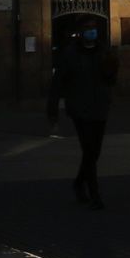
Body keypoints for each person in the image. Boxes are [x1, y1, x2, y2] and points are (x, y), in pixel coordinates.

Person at [47, 22, 118, 208]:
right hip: (79, 107)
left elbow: (111, 79)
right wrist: (53, 111)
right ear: (81, 33)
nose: (91, 32)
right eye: (88, 30)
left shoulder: (104, 51)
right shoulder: (70, 54)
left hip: (100, 107)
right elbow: (58, 83)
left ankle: (79, 183)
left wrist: (112, 71)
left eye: (93, 29)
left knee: (94, 152)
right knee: (88, 149)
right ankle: (95, 194)